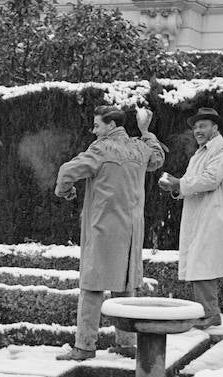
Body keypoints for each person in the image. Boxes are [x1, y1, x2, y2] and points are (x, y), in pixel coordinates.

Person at [54, 106, 166, 361]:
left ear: (111, 126)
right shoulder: (140, 147)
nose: (94, 130)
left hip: (103, 228)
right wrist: (146, 131)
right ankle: (126, 343)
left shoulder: (100, 149)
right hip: (132, 230)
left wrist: (64, 191)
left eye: (96, 125)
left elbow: (65, 172)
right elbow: (158, 158)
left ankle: (84, 346)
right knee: (125, 286)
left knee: (91, 287)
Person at [158, 107, 223, 329]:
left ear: (215, 127)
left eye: (203, 125)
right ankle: (207, 311)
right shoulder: (200, 154)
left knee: (203, 262)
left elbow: (210, 180)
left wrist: (180, 184)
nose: (197, 130)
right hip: (201, 213)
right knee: (200, 262)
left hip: (216, 214)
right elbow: (190, 181)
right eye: (195, 127)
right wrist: (175, 187)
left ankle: (209, 313)